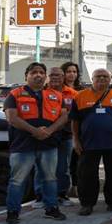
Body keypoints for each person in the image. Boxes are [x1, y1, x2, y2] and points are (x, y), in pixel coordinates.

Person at [4, 63, 68, 224]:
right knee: (17, 180)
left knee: (50, 178)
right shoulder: (15, 94)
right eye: (34, 72)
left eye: (41, 72)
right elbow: (12, 118)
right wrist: (35, 131)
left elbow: (64, 117)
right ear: (26, 76)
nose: (38, 75)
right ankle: (13, 212)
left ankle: (51, 208)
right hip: (23, 145)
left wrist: (49, 131)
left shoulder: (55, 95)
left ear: (45, 76)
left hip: (48, 144)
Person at [71, 69, 112, 216]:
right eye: (98, 76)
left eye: (105, 76)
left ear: (110, 79)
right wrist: (75, 139)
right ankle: (87, 204)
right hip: (88, 143)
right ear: (92, 78)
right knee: (86, 175)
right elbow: (75, 120)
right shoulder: (80, 96)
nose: (101, 79)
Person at [31, 67, 78, 209]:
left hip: (65, 135)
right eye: (52, 75)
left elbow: (76, 116)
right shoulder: (39, 92)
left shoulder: (73, 94)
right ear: (47, 77)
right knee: (41, 166)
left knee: (63, 167)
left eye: (58, 75)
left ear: (64, 77)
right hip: (45, 135)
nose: (55, 78)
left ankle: (61, 195)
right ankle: (40, 196)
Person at [61, 61, 84, 199]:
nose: (72, 74)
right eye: (69, 71)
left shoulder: (81, 89)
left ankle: (75, 187)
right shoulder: (58, 89)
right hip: (63, 130)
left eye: (74, 72)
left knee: (76, 161)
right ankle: (63, 190)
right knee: (64, 163)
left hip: (78, 130)